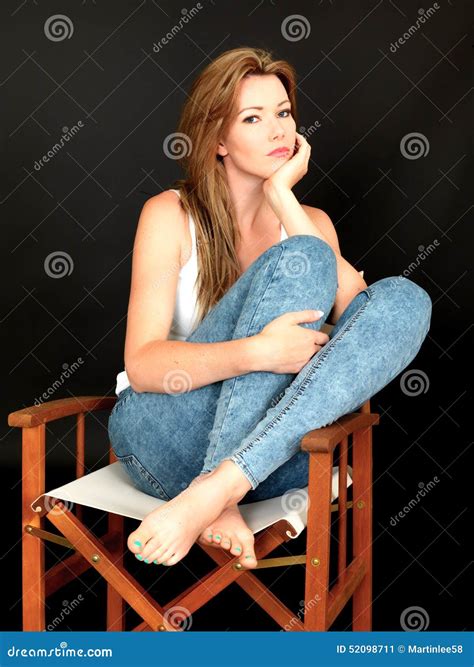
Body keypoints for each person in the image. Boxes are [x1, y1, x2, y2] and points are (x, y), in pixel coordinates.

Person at [108, 46, 432, 571]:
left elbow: (369, 323)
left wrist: (284, 199)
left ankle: (217, 490)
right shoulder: (170, 214)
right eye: (253, 118)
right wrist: (259, 352)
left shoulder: (311, 222)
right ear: (217, 140)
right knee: (303, 260)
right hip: (164, 434)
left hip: (272, 456)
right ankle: (219, 486)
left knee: (406, 298)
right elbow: (143, 366)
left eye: (283, 113)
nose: (278, 130)